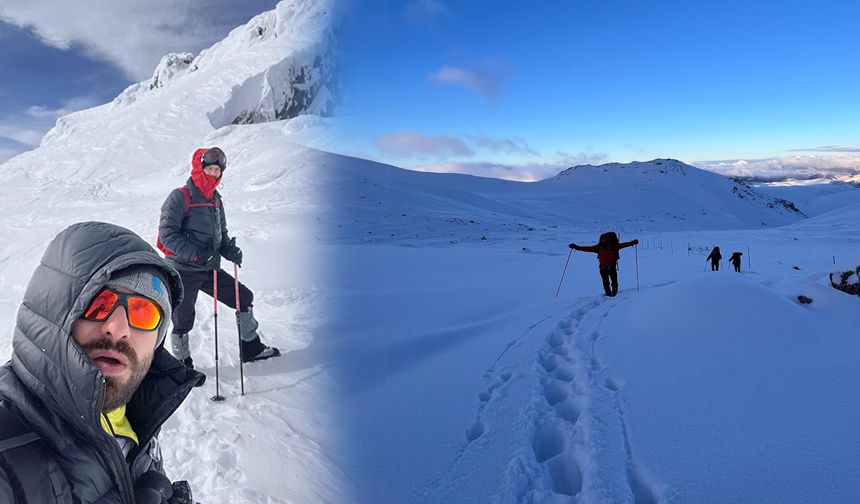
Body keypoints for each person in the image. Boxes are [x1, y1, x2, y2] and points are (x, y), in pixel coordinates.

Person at [0, 221, 205, 503]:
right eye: (100, 303)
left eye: (144, 313)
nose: (118, 328)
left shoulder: (133, 420)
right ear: (52, 311)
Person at [158, 147, 279, 368]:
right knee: (183, 320)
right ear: (199, 168)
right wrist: (196, 254)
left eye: (217, 170)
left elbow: (221, 235)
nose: (214, 174)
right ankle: (181, 364)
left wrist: (228, 250)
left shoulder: (215, 200)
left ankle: (251, 347)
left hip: (207, 268)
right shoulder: (180, 196)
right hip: (182, 270)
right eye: (210, 169)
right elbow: (167, 235)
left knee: (244, 297)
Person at [568, 232, 639, 296]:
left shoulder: (612, 246)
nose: (603, 241)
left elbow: (624, 245)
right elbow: (587, 248)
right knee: (606, 281)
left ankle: (613, 291)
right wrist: (576, 247)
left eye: (604, 240)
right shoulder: (599, 247)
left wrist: (632, 243)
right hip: (603, 267)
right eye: (602, 240)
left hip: (610, 266)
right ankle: (609, 292)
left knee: (612, 279)